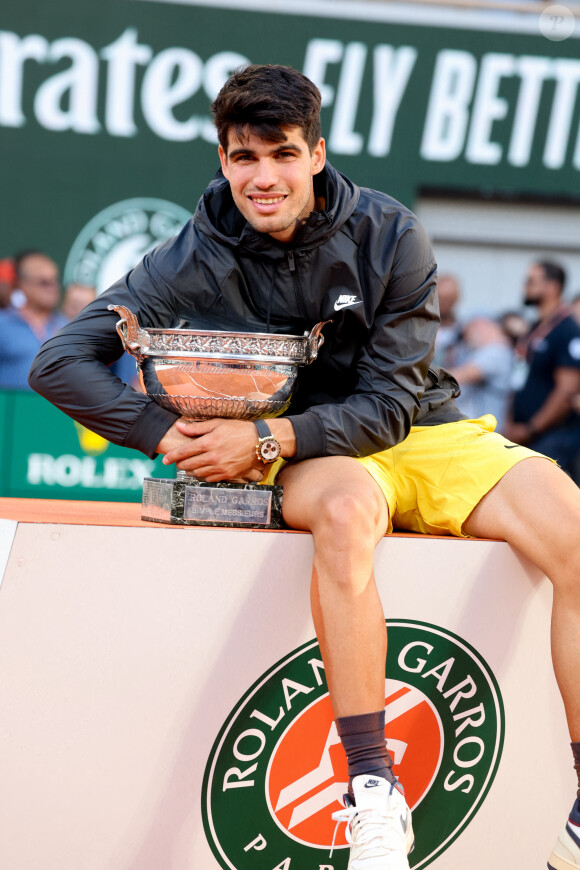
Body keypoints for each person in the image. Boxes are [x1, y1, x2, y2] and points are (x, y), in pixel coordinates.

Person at [28, 65, 580, 870]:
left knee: (571, 521)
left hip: (414, 429)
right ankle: (374, 794)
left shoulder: (394, 235)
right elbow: (60, 362)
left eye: (281, 154)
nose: (263, 178)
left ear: (316, 154)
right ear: (222, 161)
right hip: (319, 460)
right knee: (350, 517)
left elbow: (391, 405)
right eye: (243, 158)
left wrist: (263, 441)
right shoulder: (189, 254)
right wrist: (159, 431)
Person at [504, 261, 580, 475]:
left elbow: (567, 391)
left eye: (530, 281)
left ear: (552, 287)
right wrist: (511, 424)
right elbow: (519, 380)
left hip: (552, 439)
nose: (524, 288)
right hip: (522, 437)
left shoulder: (568, 330)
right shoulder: (533, 328)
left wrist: (531, 429)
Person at [0, 250, 67, 390]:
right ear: (22, 285)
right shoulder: (3, 324)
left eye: (54, 280)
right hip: (11, 409)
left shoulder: (69, 326)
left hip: (55, 410)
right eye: (44, 282)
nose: (52, 288)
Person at [450, 314, 514, 431]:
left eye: (467, 333)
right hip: (479, 432)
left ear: (480, 325)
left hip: (484, 433)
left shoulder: (496, 350)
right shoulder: (487, 351)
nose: (466, 339)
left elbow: (458, 377)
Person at [432, 272, 462, 368]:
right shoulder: (420, 328)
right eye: (440, 297)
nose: (443, 302)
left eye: (448, 298)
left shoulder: (463, 332)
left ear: (456, 298)